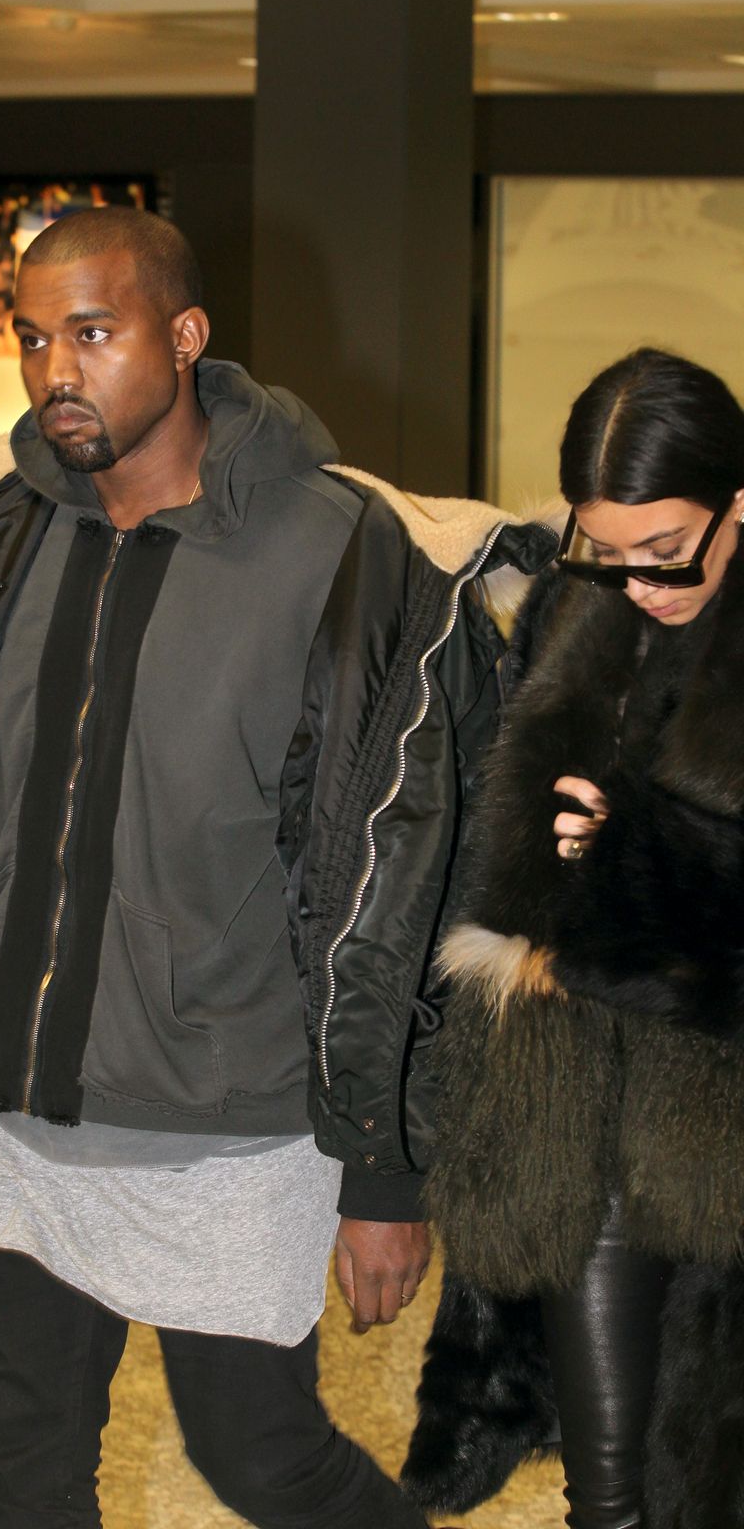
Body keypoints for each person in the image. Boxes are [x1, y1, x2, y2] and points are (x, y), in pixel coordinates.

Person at [0, 206, 551, 1529]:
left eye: (94, 333)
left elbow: (409, 881)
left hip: (227, 1118)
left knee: (262, 1458)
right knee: (19, 1467)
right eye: (34, 338)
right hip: (7, 1094)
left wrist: (385, 1172)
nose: (55, 374)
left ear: (187, 337)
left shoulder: (342, 552)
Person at [401, 347, 744, 1529]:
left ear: (739, 504)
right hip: (577, 1118)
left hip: (725, 1136)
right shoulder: (568, 607)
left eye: (667, 549)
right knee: (607, 1493)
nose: (638, 580)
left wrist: (634, 857)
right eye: (605, 546)